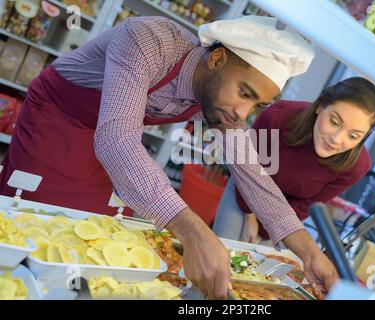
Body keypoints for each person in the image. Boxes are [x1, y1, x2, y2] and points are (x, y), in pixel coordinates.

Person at [0, 15, 337, 299]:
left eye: (257, 105)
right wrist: (193, 231)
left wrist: (310, 253)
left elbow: (253, 173)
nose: (242, 112)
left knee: (100, 238)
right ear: (217, 59)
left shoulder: (221, 100)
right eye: (244, 93)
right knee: (35, 228)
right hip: (60, 118)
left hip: (115, 142)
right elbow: (116, 140)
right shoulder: (149, 40)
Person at [213, 77, 375, 245]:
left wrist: (265, 233)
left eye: (353, 136)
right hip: (245, 191)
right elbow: (246, 168)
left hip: (285, 217)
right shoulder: (278, 117)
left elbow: (306, 206)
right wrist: (249, 215)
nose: (336, 139)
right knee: (220, 255)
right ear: (320, 106)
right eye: (334, 122)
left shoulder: (356, 166)